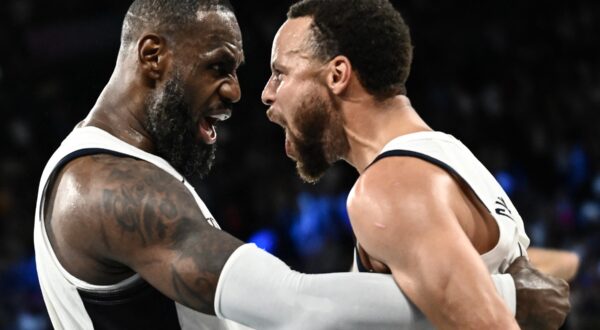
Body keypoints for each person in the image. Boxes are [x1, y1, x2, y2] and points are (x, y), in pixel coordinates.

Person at [33, 0, 568, 329]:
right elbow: (295, 307)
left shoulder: (404, 179)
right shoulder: (103, 186)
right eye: (220, 66)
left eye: (272, 73)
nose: (245, 93)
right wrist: (506, 292)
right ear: (153, 57)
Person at [261, 0, 570, 329]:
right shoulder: (447, 155)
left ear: (337, 75)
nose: (267, 93)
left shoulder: (391, 188)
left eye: (280, 74)